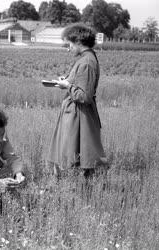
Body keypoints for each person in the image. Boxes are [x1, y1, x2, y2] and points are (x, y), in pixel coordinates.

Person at [47, 23, 108, 181]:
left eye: (69, 44)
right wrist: (67, 82)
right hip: (75, 114)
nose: (68, 48)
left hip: (79, 116)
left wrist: (68, 85)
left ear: (79, 42)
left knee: (76, 156)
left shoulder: (86, 62)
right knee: (74, 156)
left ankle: (78, 191)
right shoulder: (85, 59)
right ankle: (78, 189)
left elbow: (85, 96)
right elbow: (80, 85)